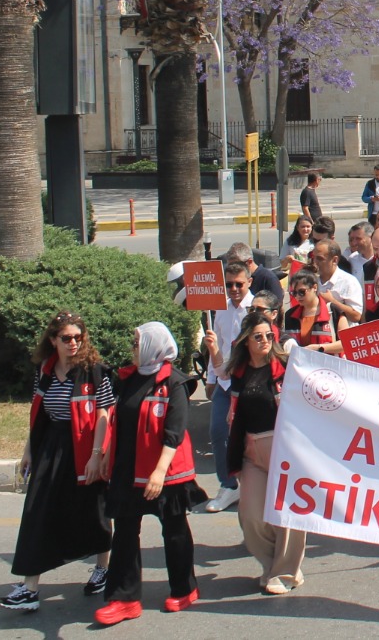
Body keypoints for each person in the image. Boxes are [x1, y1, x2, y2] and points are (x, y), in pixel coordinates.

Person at [0, 312, 114, 612]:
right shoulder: (45, 371)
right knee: (38, 511)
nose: (74, 343)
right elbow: (40, 414)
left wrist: (96, 455)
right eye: (67, 338)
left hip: (87, 447)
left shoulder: (95, 371)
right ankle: (29, 587)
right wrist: (29, 450)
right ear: (53, 340)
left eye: (78, 337)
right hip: (52, 444)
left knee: (94, 511)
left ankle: (103, 568)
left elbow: (104, 414)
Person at [94, 323, 206, 625]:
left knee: (175, 530)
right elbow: (118, 420)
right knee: (126, 533)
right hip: (128, 470)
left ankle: (184, 589)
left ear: (152, 346)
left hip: (164, 474)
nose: (132, 347)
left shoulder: (175, 383)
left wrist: (158, 472)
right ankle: (123, 598)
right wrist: (105, 454)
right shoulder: (127, 378)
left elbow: (175, 432)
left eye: (136, 342)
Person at [222, 318, 306, 595]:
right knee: (251, 514)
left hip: (285, 449)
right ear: (246, 341)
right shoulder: (240, 373)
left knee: (289, 515)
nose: (264, 340)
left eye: (268, 335)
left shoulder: (287, 368)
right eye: (257, 336)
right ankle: (271, 564)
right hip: (251, 450)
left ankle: (286, 571)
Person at [198, 260, 253, 513]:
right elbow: (215, 347)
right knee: (218, 432)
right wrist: (211, 379)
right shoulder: (219, 310)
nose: (233, 289)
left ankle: (252, 487)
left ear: (248, 282)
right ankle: (228, 485)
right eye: (228, 284)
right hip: (223, 382)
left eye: (238, 284)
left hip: (248, 383)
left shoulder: (256, 309)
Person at [283, 269, 344, 348]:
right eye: (294, 293)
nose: (297, 296)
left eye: (302, 292)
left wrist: (319, 348)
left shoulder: (333, 311)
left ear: (314, 287)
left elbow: (346, 343)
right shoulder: (290, 315)